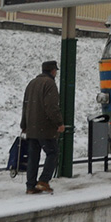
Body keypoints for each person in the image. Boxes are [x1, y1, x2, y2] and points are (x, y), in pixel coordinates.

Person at [20, 60, 65, 194]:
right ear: (53, 71)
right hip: (45, 128)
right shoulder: (49, 84)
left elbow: (25, 105)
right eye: (55, 71)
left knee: (33, 157)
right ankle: (44, 181)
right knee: (53, 153)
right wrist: (59, 123)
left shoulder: (32, 83)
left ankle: (30, 186)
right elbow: (51, 107)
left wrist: (24, 125)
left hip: (32, 128)